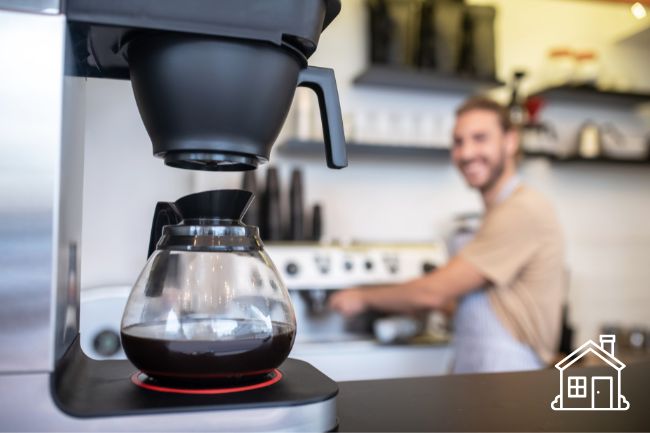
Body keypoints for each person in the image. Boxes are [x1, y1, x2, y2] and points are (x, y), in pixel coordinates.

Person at [329, 97, 566, 374]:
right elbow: (461, 303)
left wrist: (363, 296)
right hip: (478, 369)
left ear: (510, 141)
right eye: (458, 141)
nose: (466, 153)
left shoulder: (523, 210)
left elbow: (433, 293)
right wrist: (409, 304)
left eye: (480, 138)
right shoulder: (496, 214)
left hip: (510, 374)